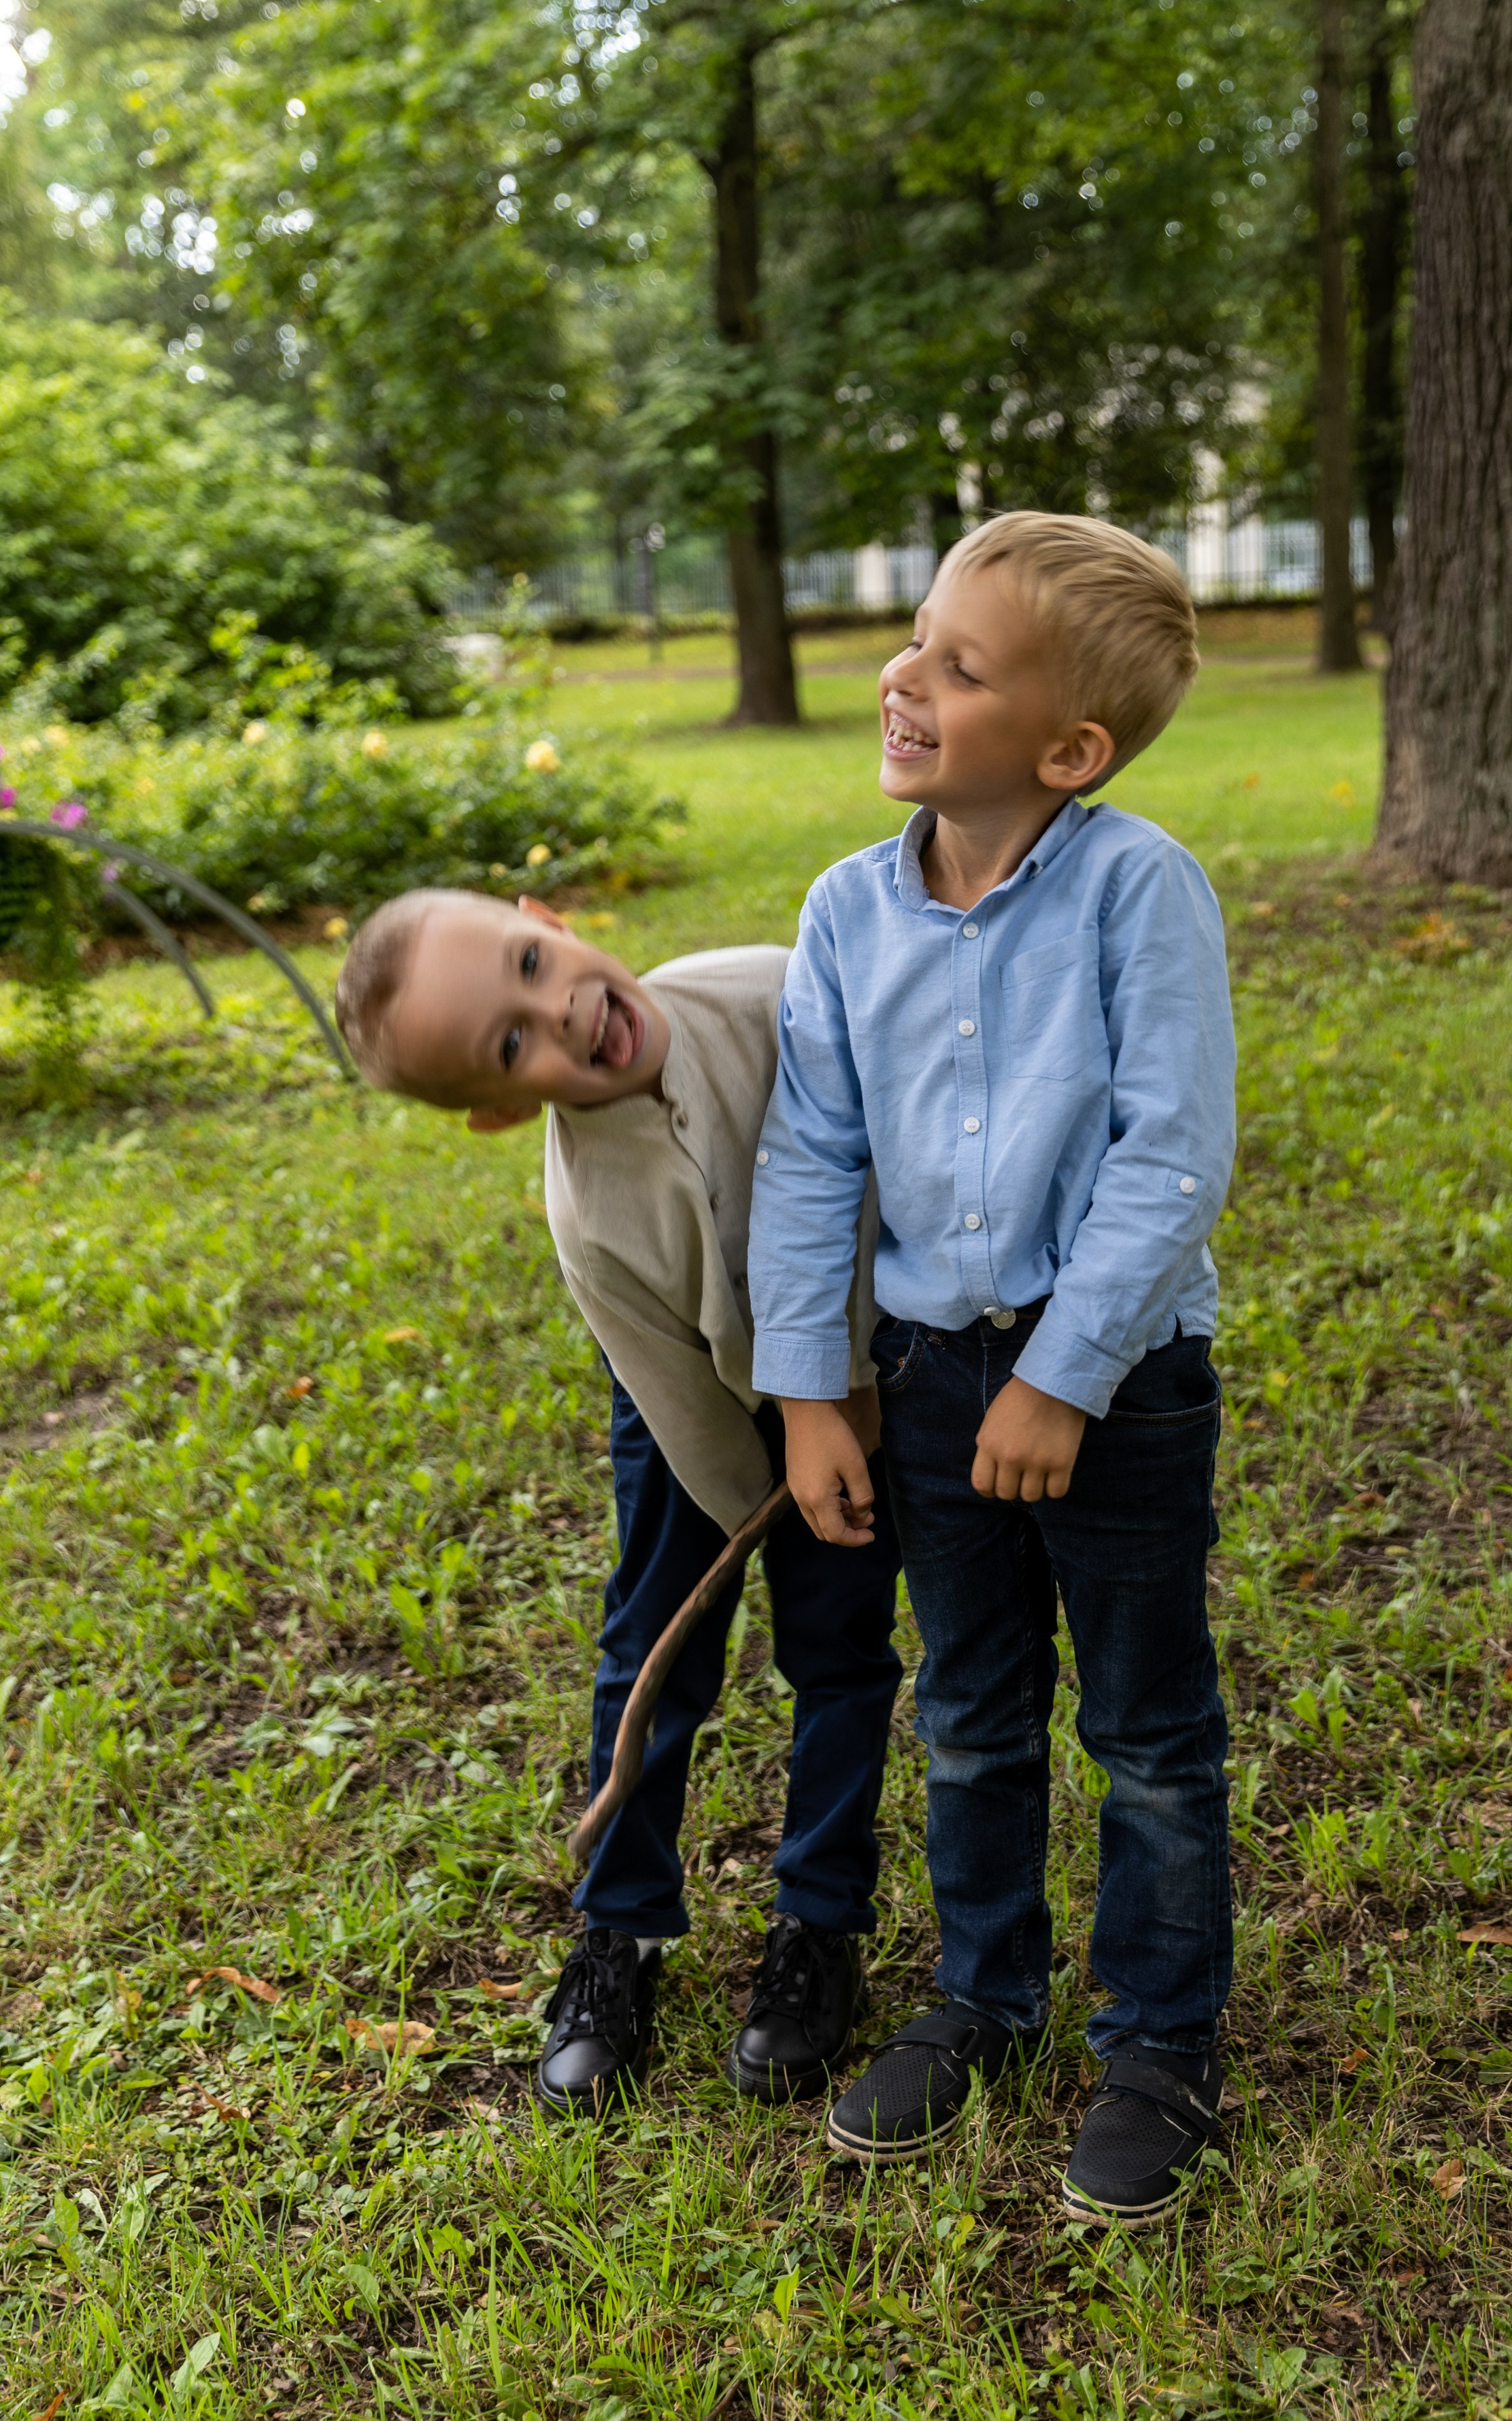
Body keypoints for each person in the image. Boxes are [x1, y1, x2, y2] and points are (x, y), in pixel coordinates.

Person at [747, 511, 1237, 2227]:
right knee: (965, 1712)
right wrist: (812, 1393)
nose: (905, 676)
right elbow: (811, 1159)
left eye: (959, 667)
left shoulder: (1134, 890)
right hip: (929, 1382)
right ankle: (982, 1996)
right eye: (914, 637)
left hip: (1117, 1388)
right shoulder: (841, 913)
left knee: (1147, 1725)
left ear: (1066, 746)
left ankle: (1159, 2040)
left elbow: (1172, 1154)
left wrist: (1069, 1372)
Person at [334, 895, 901, 2117]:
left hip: (860, 1388)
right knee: (655, 1644)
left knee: (841, 1649)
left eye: (533, 963)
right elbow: (684, 1408)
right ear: (497, 1108)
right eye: (509, 1043)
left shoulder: (774, 989)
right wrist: (773, 1499)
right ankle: (623, 1930)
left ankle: (817, 1924)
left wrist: (841, 1410)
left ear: (548, 919)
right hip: (689, 1400)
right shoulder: (589, 1217)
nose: (564, 1011)